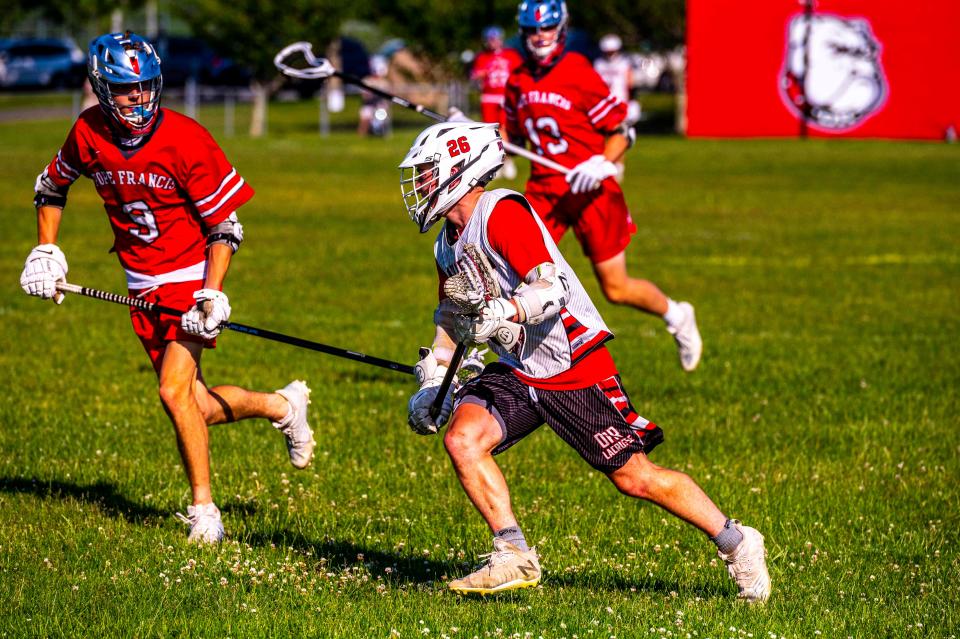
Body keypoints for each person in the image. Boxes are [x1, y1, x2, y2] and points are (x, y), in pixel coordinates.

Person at [399, 121, 770, 601]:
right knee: (463, 438)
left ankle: (738, 542)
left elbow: (549, 288)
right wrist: (434, 384)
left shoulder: (502, 214)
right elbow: (450, 318)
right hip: (518, 366)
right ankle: (512, 552)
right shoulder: (446, 243)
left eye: (429, 173)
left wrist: (506, 311)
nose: (422, 185)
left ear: (461, 170)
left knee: (635, 478)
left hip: (571, 364)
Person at [18, 31, 315, 544]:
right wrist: (47, 248)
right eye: (126, 88)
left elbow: (225, 225)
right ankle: (281, 406)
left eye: (147, 86)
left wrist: (212, 292)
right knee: (193, 405)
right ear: (101, 88)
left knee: (172, 390)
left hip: (187, 277)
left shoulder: (185, 138)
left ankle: (204, 512)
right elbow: (51, 186)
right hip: (138, 283)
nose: (139, 98)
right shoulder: (88, 132)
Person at [503, 1, 703, 372]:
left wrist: (601, 163)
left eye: (545, 28)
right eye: (531, 30)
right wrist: (469, 131)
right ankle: (513, 362)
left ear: (560, 29)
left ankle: (677, 314)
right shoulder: (517, 80)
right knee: (513, 275)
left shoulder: (578, 71)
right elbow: (508, 136)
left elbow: (622, 131)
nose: (538, 37)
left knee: (616, 288)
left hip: (592, 191)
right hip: (545, 193)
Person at [470, 26, 523, 179]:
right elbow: (474, 76)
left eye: (496, 38)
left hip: (505, 97)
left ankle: (507, 160)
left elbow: (520, 72)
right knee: (491, 131)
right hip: (489, 98)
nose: (493, 42)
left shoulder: (511, 55)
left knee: (505, 129)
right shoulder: (482, 57)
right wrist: (480, 74)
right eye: (490, 39)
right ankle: (497, 162)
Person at [593, 34, 640, 180]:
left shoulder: (624, 63)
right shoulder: (599, 63)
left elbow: (630, 83)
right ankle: (603, 164)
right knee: (601, 137)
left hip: (620, 104)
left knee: (619, 134)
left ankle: (618, 166)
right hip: (603, 105)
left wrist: (633, 101)